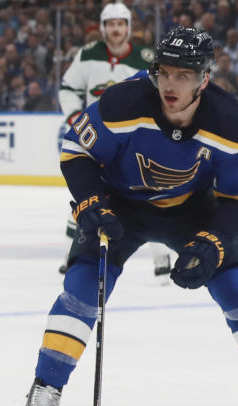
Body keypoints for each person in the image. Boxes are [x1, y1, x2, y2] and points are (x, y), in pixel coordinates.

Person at [24, 26, 238, 406]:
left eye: (183, 75)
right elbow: (76, 152)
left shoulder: (230, 123)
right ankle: (47, 385)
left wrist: (213, 243)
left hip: (191, 208)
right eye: (164, 72)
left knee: (236, 287)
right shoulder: (123, 102)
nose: (170, 84)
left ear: (204, 80)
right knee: (84, 285)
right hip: (120, 203)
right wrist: (90, 201)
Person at [56, 3, 171, 281]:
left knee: (148, 194)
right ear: (103, 27)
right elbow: (68, 88)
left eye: (121, 24)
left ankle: (162, 257)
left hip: (134, 143)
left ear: (128, 27)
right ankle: (71, 256)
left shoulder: (145, 58)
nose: (116, 29)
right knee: (87, 196)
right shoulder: (87, 55)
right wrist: (75, 118)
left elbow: (161, 94)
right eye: (111, 24)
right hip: (95, 141)